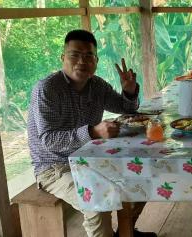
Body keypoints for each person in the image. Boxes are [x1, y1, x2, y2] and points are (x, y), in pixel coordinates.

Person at [27, 29, 156, 237]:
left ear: (95, 61)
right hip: (55, 167)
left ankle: (125, 231)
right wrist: (93, 131)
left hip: (91, 157)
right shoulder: (47, 89)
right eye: (74, 55)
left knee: (139, 175)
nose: (81, 61)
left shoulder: (96, 85)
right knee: (96, 201)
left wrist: (129, 91)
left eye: (88, 56)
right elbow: (49, 140)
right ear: (63, 58)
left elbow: (126, 108)